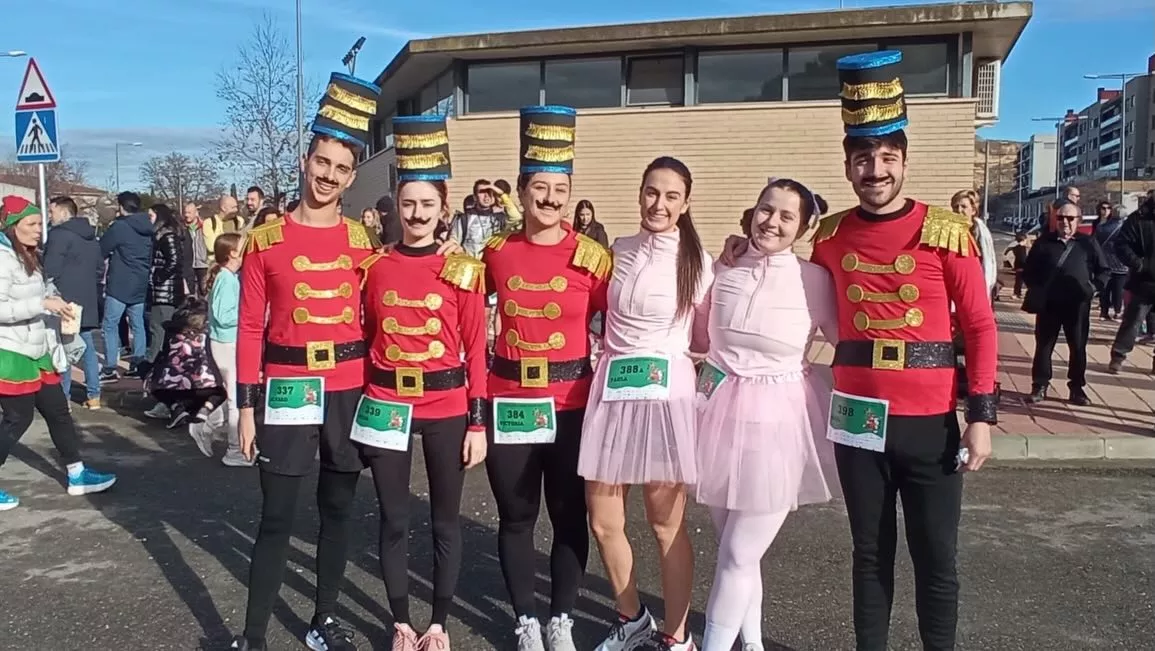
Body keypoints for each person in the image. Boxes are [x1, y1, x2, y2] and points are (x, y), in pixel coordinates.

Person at [723, 51, 997, 651]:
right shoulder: (829, 237)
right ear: (848, 166)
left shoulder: (945, 231)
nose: (876, 169)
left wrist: (980, 415)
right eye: (863, 158)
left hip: (928, 421)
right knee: (869, 554)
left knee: (936, 559)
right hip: (856, 422)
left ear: (904, 161)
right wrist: (739, 251)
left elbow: (978, 326)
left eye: (888, 158)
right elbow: (781, 268)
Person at [227, 71, 384, 651]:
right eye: (322, 162)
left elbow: (378, 323)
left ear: (352, 176)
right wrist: (245, 407)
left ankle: (322, 621)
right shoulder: (266, 240)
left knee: (338, 513)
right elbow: (248, 329)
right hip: (288, 387)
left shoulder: (363, 244)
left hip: (348, 388)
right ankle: (253, 636)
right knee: (276, 519)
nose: (328, 176)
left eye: (341, 169)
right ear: (304, 159)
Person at [482, 105, 612, 651]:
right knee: (516, 516)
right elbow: (461, 315)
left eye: (561, 188)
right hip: (509, 399)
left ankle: (561, 619)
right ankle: (525, 621)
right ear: (520, 189)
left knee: (566, 516)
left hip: (572, 404)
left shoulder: (593, 259)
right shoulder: (493, 253)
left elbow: (632, 321)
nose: (552, 199)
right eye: (540, 187)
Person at [357, 115, 488, 651]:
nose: (415, 214)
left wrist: (477, 420)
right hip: (387, 400)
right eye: (407, 204)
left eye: (426, 205)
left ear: (442, 210)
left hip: (445, 402)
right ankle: (401, 623)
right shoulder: (372, 267)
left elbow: (478, 349)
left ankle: (438, 624)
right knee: (392, 517)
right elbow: (362, 340)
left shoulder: (463, 270)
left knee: (443, 520)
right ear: (395, 207)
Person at [694, 178, 840, 651]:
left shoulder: (813, 280)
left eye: (785, 216)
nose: (771, 222)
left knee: (739, 551)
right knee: (735, 554)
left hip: (778, 424)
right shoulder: (725, 268)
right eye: (764, 209)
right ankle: (752, 644)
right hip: (715, 418)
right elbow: (699, 338)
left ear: (802, 226)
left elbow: (848, 344)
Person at [580, 156, 711, 651]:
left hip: (664, 399)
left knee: (664, 525)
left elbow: (704, 337)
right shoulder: (616, 251)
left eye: (671, 196)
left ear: (685, 203)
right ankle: (631, 616)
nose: (659, 203)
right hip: (612, 394)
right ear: (639, 194)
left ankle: (677, 635)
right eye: (652, 192)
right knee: (603, 519)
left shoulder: (698, 262)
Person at [0, 196, 117, 510]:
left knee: (58, 411)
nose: (40, 230)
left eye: (40, 223)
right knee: (17, 418)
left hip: (38, 348)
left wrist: (58, 304)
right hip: (10, 351)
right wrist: (41, 304)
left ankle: (76, 473)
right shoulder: (2, 258)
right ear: (12, 227)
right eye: (32, 224)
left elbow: (41, 292)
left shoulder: (29, 255)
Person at [1022, 199, 1107, 406]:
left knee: (1077, 347)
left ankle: (1076, 388)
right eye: (1060, 218)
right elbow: (1028, 272)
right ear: (1055, 219)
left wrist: (1093, 288)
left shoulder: (1087, 243)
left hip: (1077, 305)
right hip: (1050, 305)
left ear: (1078, 220)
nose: (1065, 222)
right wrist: (1038, 288)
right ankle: (1040, 385)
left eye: (1070, 218)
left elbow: (1104, 271)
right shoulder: (1044, 242)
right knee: (1044, 346)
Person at [188, 232, 251, 467]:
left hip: (225, 341)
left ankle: (206, 424)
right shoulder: (226, 279)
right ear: (233, 253)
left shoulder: (227, 277)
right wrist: (249, 315)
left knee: (235, 394)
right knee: (237, 398)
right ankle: (235, 450)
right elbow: (224, 317)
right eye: (243, 247)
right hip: (226, 342)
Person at [44, 196, 103, 409]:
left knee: (64, 346)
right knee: (86, 345)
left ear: (63, 212)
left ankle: (64, 397)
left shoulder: (58, 235)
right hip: (87, 296)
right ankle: (94, 395)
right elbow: (99, 267)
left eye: (51, 211)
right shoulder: (91, 236)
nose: (49, 216)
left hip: (64, 298)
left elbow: (50, 268)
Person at [144, 298, 228, 428]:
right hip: (206, 386)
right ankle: (206, 409)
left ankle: (176, 408)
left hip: (174, 387)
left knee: (153, 378)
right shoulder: (209, 334)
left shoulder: (171, 331)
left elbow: (162, 357)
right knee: (223, 390)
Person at [99, 191, 154, 382]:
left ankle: (109, 368)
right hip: (140, 282)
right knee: (137, 324)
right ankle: (138, 363)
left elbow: (102, 248)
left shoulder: (120, 227)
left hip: (120, 282)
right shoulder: (148, 227)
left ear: (122, 207)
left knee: (110, 325)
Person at [142, 204, 188, 419]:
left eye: (151, 215)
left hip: (165, 294)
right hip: (162, 292)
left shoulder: (167, 236)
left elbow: (175, 263)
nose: (148, 219)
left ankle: (166, 397)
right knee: (160, 336)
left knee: (159, 338)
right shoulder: (162, 236)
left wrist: (158, 276)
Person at [1107, 191, 1155, 374]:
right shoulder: (1139, 218)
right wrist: (1139, 264)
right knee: (1133, 320)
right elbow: (1121, 244)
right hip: (1144, 281)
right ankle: (1118, 356)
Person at [951, 189, 997, 301]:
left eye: (963, 206)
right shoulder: (949, 229)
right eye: (956, 207)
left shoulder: (980, 231)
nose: (959, 210)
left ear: (973, 210)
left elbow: (987, 262)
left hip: (975, 283)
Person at [1094, 201, 1127, 320]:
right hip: (1120, 263)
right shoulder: (1125, 227)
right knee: (1118, 290)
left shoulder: (1101, 227)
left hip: (1104, 261)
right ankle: (1118, 312)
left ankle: (1104, 312)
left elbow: (1096, 242)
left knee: (1105, 289)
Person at [1004, 232, 1029, 299]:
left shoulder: (1016, 247)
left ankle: (1017, 293)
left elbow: (1008, 250)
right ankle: (1017, 293)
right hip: (1022, 266)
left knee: (1019, 281)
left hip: (1017, 266)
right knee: (1020, 281)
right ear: (1024, 240)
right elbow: (1023, 258)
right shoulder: (1022, 248)